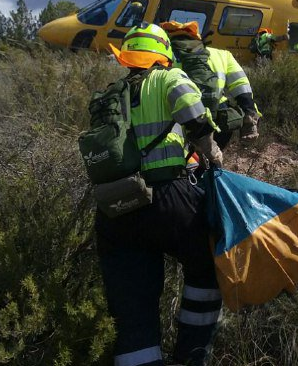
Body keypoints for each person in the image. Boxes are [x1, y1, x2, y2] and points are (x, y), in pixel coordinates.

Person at [98, 22, 224, 366]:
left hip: (115, 208)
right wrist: (212, 152)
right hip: (169, 199)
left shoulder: (111, 93)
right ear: (164, 54)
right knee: (207, 269)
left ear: (127, 57)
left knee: (131, 299)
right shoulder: (171, 78)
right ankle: (190, 356)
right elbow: (196, 118)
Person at [161, 21, 260, 149]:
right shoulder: (222, 55)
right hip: (219, 119)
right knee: (211, 160)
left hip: (183, 120)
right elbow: (241, 86)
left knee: (186, 161)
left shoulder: (166, 57)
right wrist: (250, 111)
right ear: (197, 37)